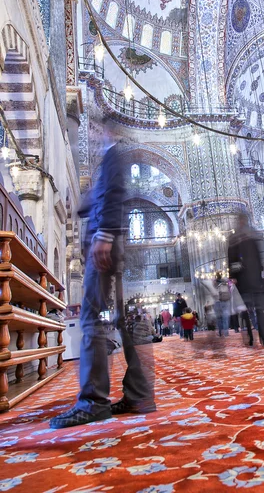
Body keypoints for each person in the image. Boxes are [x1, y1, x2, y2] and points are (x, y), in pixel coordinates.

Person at [50, 116, 155, 429]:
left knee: (92, 319)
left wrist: (104, 235)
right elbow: (103, 196)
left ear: (107, 130)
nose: (92, 134)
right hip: (111, 238)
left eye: (95, 129)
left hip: (106, 241)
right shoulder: (113, 157)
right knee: (124, 321)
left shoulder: (114, 154)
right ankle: (139, 394)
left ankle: (93, 401)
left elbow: (114, 193)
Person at [228, 213, 264, 347]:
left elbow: (232, 260)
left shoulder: (234, 238)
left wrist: (234, 276)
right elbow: (262, 256)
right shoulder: (255, 235)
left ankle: (251, 337)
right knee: (258, 309)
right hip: (255, 279)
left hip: (244, 280)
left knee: (247, 310)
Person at [213, 271, 231, 337]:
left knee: (219, 318)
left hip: (218, 301)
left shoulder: (214, 283)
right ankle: (226, 332)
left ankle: (220, 331)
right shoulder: (225, 281)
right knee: (225, 317)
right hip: (225, 300)